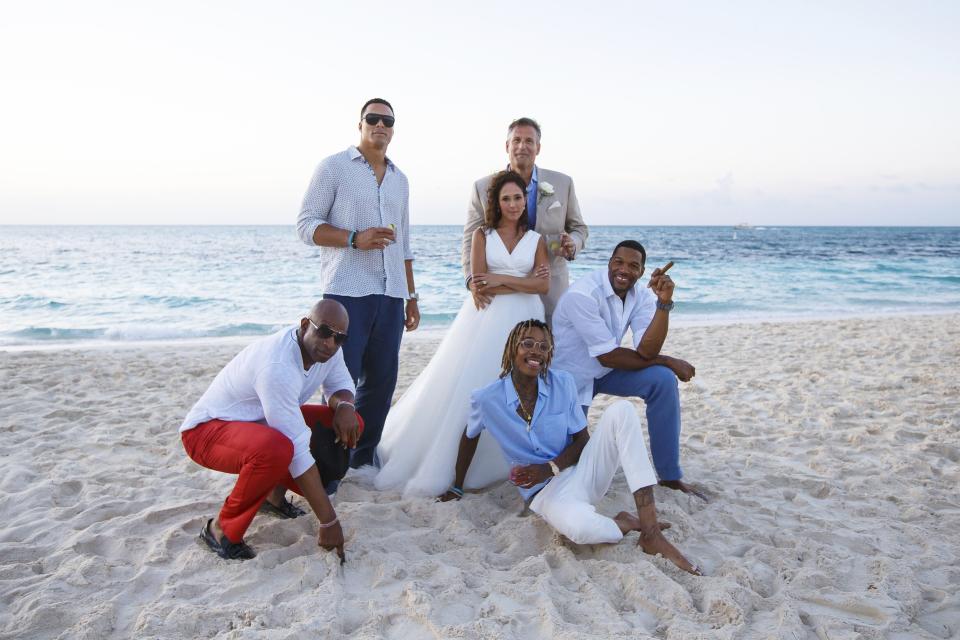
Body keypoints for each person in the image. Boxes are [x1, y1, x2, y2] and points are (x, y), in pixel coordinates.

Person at [440, 319, 701, 575]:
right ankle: (624, 522)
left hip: (582, 469)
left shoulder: (562, 383)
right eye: (527, 344)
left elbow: (582, 440)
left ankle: (650, 532)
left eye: (544, 347)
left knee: (622, 410)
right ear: (512, 349)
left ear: (550, 355)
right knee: (582, 531)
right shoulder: (486, 399)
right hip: (546, 493)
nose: (535, 351)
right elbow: (469, 436)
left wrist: (549, 468)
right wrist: (457, 485)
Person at [374, 171, 550, 496]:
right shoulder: (483, 235)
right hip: (486, 320)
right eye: (506, 198)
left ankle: (512, 462)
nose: (512, 204)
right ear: (497, 203)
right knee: (474, 385)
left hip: (526, 318)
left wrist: (500, 281)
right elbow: (479, 282)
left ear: (526, 200)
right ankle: (459, 468)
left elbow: (542, 285)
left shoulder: (536, 239)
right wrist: (512, 282)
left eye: (518, 197)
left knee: (520, 389)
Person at [180, 300, 362, 561]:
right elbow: (297, 449)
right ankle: (220, 530)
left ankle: (272, 498)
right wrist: (328, 521)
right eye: (324, 332)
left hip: (259, 424)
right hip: (206, 432)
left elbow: (341, 383)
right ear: (304, 325)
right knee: (278, 449)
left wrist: (345, 405)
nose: (331, 343)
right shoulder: (278, 366)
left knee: (352, 422)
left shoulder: (329, 350)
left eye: (339, 338)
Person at [296, 98, 420, 476]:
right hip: (347, 292)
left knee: (381, 382)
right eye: (373, 118)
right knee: (338, 381)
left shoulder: (401, 178)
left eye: (388, 120)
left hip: (391, 294)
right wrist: (354, 238)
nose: (380, 125)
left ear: (393, 128)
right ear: (360, 124)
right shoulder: (333, 167)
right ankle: (331, 460)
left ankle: (362, 457)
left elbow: (406, 243)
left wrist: (412, 297)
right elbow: (305, 226)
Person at [551, 241, 705, 500]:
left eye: (634, 266)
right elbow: (609, 355)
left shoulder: (641, 296)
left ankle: (669, 476)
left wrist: (664, 303)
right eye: (619, 262)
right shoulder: (584, 295)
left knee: (663, 381)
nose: (624, 269)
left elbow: (646, 351)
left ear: (642, 272)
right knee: (570, 466)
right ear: (610, 263)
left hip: (604, 372)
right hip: (570, 379)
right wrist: (668, 360)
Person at [461, 117, 588, 324]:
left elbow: (578, 228)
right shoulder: (482, 187)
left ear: (538, 147)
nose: (522, 146)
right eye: (516, 140)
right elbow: (470, 239)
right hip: (497, 297)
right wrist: (471, 281)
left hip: (551, 288)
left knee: (549, 351)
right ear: (507, 146)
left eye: (529, 141)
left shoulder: (563, 183)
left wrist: (573, 243)